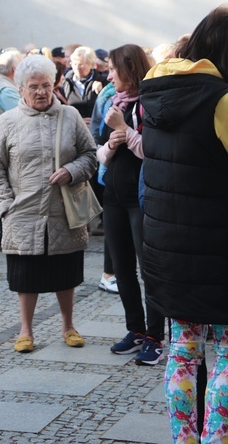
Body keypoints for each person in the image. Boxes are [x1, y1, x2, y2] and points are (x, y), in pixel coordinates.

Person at [139, 6, 228, 442]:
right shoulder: (221, 100)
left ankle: (185, 438)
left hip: (166, 249)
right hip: (217, 251)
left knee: (183, 351)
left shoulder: (154, 93)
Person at [0, 55, 96, 353]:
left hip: (63, 211)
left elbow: (90, 154)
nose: (41, 92)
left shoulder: (70, 116)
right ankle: (25, 330)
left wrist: (72, 171)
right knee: (26, 275)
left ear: (54, 85)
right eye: (34, 86)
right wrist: (5, 207)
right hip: (23, 212)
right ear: (21, 88)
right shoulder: (9, 121)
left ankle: (68, 325)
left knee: (66, 271)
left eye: (46, 85)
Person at [96, 44, 165, 365]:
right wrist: (111, 141)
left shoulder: (150, 103)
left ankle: (154, 335)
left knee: (147, 267)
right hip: (113, 194)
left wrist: (124, 129)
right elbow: (100, 154)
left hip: (141, 196)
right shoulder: (114, 102)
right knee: (121, 267)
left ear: (128, 69)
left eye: (112, 69)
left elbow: (151, 150)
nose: (108, 75)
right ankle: (135, 329)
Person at [60, 46, 107, 125]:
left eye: (81, 64)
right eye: (74, 64)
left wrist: (102, 91)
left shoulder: (103, 81)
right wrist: (78, 121)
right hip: (73, 128)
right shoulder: (66, 82)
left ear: (91, 64)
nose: (77, 68)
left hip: (95, 129)